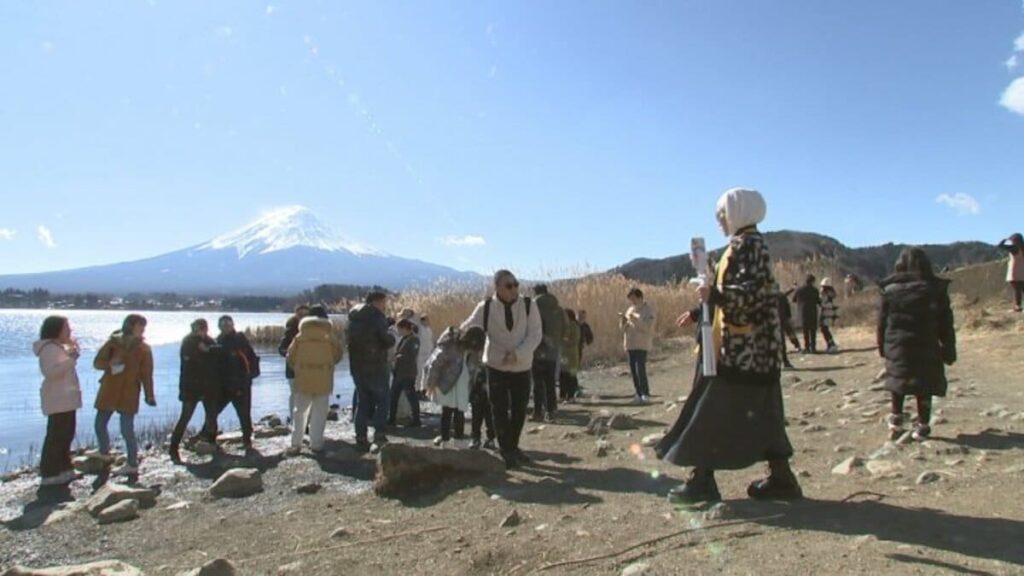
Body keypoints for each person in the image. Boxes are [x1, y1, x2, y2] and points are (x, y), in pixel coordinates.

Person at [657, 187, 802, 503]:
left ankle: (702, 481)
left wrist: (715, 296)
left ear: (738, 213)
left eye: (722, 213)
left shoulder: (747, 246)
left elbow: (753, 295)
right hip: (757, 349)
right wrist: (701, 309)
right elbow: (742, 292)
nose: (719, 220)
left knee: (710, 411)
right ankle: (781, 477)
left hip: (740, 350)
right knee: (764, 412)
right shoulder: (748, 245)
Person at [461, 270, 543, 469]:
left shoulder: (528, 305)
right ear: (497, 287)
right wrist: (461, 334)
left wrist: (518, 353)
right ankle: (507, 451)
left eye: (516, 284)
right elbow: (470, 327)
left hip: (522, 365)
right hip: (496, 365)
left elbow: (535, 335)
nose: (514, 289)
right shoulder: (486, 306)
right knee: (498, 410)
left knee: (519, 410)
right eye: (509, 286)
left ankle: (512, 447)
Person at [878, 248, 957, 441]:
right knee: (925, 384)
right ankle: (922, 426)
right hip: (927, 343)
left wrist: (882, 347)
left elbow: (882, 322)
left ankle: (896, 421)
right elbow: (946, 322)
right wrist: (948, 349)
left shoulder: (889, 290)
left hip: (898, 344)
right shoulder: (935, 289)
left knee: (898, 380)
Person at [93, 314, 156, 477]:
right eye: (140, 325)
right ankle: (104, 452)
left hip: (129, 391)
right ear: (130, 326)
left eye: (144, 326)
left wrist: (150, 395)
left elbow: (147, 374)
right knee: (100, 423)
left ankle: (132, 463)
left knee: (127, 430)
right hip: (109, 388)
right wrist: (110, 364)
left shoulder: (144, 349)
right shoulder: (113, 343)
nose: (142, 329)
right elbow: (97, 363)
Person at [286, 305, 344, 455]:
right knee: (320, 412)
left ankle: (296, 443)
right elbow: (338, 354)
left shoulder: (300, 335)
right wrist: (328, 364)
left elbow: (290, 356)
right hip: (324, 377)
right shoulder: (329, 336)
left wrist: (299, 368)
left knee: (299, 412)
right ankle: (316, 444)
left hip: (303, 378)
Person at [34, 316, 82, 486]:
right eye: (66, 327)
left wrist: (72, 349)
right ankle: (50, 473)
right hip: (58, 399)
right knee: (56, 436)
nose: (69, 330)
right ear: (56, 329)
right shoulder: (49, 349)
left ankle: (65, 469)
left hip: (66, 399)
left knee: (66, 434)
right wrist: (71, 360)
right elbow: (51, 373)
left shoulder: (58, 347)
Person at [347, 291, 396, 452]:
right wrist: (392, 336)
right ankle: (379, 434)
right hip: (375, 366)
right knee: (383, 400)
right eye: (383, 302)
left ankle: (360, 436)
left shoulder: (353, 318)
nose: (385, 306)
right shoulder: (377, 318)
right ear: (377, 302)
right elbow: (385, 340)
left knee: (363, 402)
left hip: (356, 367)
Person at [425, 327, 487, 446]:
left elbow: (475, 367)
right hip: (449, 383)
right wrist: (431, 383)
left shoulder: (472, 352)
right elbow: (436, 363)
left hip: (462, 385)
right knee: (447, 411)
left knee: (459, 412)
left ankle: (458, 440)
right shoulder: (451, 346)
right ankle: (445, 438)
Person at [170, 319, 220, 463]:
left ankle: (211, 442)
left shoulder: (210, 341)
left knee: (212, 415)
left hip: (208, 386)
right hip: (190, 387)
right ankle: (173, 448)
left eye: (200, 329)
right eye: (196, 329)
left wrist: (209, 350)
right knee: (185, 417)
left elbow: (218, 353)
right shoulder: (188, 342)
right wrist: (205, 351)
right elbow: (190, 359)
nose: (198, 332)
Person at [214, 316, 259, 451]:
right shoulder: (218, 341)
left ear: (233, 325)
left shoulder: (240, 339)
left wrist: (247, 379)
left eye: (228, 324)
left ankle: (247, 440)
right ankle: (209, 437)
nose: (226, 326)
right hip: (224, 385)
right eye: (223, 324)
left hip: (241, 383)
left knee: (244, 413)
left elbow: (250, 360)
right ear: (219, 326)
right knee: (213, 411)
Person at [531, 284, 564, 422]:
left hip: (537, 349)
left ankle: (538, 412)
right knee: (550, 382)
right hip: (553, 350)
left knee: (537, 382)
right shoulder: (558, 308)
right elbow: (565, 327)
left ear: (536, 292)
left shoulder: (533, 307)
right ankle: (551, 410)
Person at [620, 288, 656, 404]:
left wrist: (636, 319)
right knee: (633, 371)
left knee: (640, 369)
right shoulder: (630, 309)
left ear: (640, 297)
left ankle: (645, 393)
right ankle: (638, 393)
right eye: (630, 300)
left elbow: (647, 328)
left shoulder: (649, 310)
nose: (632, 302)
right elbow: (623, 329)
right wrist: (623, 321)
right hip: (630, 344)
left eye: (634, 299)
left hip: (642, 344)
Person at [279, 304, 311, 425]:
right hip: (294, 368)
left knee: (307, 394)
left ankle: (305, 421)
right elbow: (282, 349)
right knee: (295, 393)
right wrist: (292, 356)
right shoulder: (291, 329)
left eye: (306, 315)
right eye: (301, 314)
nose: (303, 317)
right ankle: (294, 420)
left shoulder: (312, 330)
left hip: (308, 367)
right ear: (296, 315)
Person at [388, 319, 422, 428]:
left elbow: (412, 355)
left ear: (404, 328)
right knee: (393, 396)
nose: (398, 331)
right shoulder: (404, 339)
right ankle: (391, 418)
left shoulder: (414, 340)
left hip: (407, 373)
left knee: (411, 397)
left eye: (399, 329)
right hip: (399, 372)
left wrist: (397, 358)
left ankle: (416, 419)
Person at [792, 275, 821, 353]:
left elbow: (793, 300)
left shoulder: (799, 290)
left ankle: (807, 347)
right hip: (812, 312)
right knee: (813, 332)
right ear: (812, 281)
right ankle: (813, 348)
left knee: (805, 332)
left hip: (802, 313)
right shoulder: (815, 290)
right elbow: (818, 301)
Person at [997, 233, 1024, 312]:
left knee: (1017, 290)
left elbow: (1000, 246)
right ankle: (1018, 306)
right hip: (1022, 271)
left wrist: (1005, 239)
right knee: (1021, 289)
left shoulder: (1014, 248)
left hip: (1015, 271)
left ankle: (1017, 306)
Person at [560, 309, 582, 402]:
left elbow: (574, 340)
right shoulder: (564, 326)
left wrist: (563, 340)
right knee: (563, 376)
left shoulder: (574, 326)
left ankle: (571, 396)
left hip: (572, 356)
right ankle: (563, 395)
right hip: (564, 356)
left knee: (571, 377)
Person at [776, 287, 801, 369]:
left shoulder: (765, 296)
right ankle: (786, 361)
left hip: (771, 322)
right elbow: (787, 308)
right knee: (784, 340)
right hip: (782, 319)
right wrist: (788, 317)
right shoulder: (781, 296)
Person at [415, 314, 436, 392]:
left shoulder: (429, 330)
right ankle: (417, 389)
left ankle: (424, 389)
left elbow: (430, 340)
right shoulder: (419, 329)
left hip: (428, 353)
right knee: (419, 372)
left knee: (426, 372)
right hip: (420, 354)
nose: (427, 321)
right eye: (425, 320)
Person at [820, 278, 840, 353]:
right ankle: (831, 344)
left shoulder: (824, 292)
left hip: (826, 313)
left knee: (824, 330)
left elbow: (822, 302)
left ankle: (831, 344)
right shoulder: (831, 292)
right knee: (826, 330)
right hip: (830, 313)